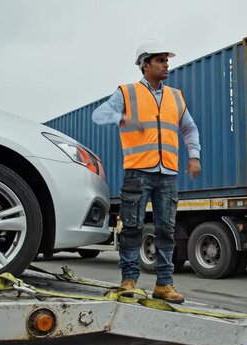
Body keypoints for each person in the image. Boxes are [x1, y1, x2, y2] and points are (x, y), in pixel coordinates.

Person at [92, 38, 201, 304]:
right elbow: (100, 115)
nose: (166, 65)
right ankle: (128, 281)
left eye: (167, 61)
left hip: (167, 174)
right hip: (138, 172)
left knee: (166, 230)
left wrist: (194, 156)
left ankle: (164, 284)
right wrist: (126, 119)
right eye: (160, 60)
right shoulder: (127, 93)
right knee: (132, 228)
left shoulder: (176, 97)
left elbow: (189, 128)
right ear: (145, 65)